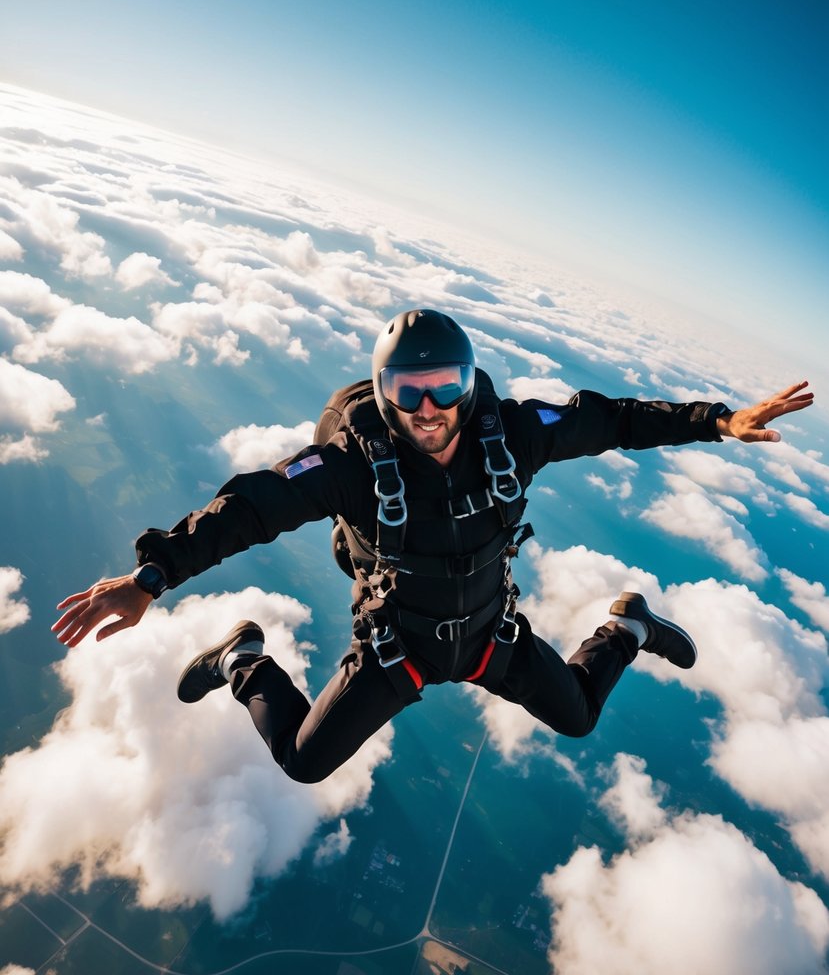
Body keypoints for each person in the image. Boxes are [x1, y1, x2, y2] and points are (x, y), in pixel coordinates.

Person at [53, 309, 813, 783]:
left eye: (446, 387)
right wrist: (152, 575)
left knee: (579, 714)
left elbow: (612, 420)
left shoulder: (513, 435)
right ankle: (243, 659)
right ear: (382, 393)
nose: (428, 408)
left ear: (469, 383)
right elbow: (248, 507)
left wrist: (715, 419)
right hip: (398, 651)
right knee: (302, 762)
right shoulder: (349, 467)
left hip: (490, 638)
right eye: (407, 391)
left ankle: (626, 626)